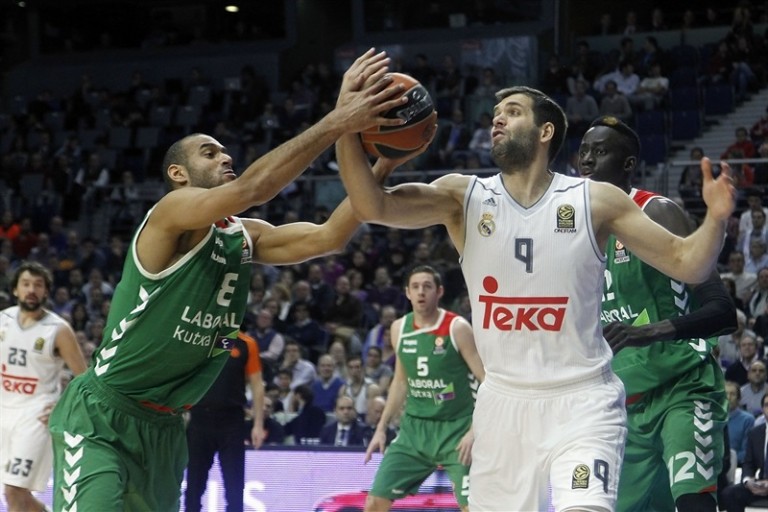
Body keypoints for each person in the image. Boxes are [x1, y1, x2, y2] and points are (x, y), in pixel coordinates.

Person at [47, 48, 416, 511]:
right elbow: (252, 190)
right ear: (178, 174)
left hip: (166, 428)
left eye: (224, 150)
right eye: (209, 152)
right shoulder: (170, 213)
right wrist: (337, 120)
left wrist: (383, 162)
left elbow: (330, 237)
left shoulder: (244, 236)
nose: (225, 156)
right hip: (103, 415)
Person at [336, 85, 736, 511]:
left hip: (582, 400)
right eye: (494, 112)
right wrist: (345, 125)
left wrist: (715, 220)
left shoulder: (595, 200)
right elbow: (369, 205)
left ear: (545, 131)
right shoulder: (462, 196)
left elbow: (688, 262)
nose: (497, 119)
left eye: (512, 111)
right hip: (503, 403)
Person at [579, 116, 736, 512]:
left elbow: (722, 312)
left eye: (600, 151)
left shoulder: (658, 212)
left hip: (682, 388)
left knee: (693, 502)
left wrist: (646, 332)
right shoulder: (574, 230)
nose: (586, 160)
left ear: (628, 164)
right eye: (583, 151)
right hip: (621, 403)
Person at [363, 265, 485, 512]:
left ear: (439, 292)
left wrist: (475, 430)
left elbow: (486, 381)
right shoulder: (399, 328)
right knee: (375, 501)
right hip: (413, 431)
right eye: (415, 287)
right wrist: (381, 428)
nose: (421, 292)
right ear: (407, 292)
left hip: (457, 430)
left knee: (473, 507)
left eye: (427, 286)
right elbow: (400, 381)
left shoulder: (457, 328)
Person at [0, 262, 88, 512]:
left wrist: (63, 408)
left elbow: (84, 379)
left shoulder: (58, 330)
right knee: (15, 497)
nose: (32, 290)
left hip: (35, 417)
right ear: (15, 290)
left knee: (14, 490)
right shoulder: (2, 320)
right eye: (26, 284)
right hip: (3, 413)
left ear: (46, 292)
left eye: (38, 285)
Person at [184, 328, 264, 512]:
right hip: (199, 419)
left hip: (232, 421)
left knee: (234, 487)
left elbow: (257, 385)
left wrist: (258, 425)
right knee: (194, 487)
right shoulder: (197, 337)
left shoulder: (246, 343)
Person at [721, 394, 768, 511]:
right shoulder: (755, 433)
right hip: (760, 484)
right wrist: (748, 481)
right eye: (767, 405)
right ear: (762, 409)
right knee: (729, 493)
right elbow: (748, 463)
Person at [725, 381, 756, 465]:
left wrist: (725, 460)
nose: (728, 397)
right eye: (725, 394)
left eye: (732, 394)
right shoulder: (713, 418)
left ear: (738, 398)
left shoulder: (748, 419)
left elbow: (747, 452)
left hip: (738, 466)